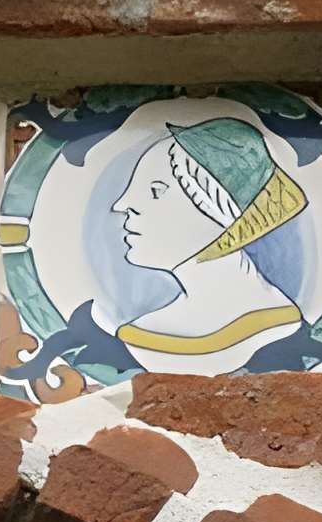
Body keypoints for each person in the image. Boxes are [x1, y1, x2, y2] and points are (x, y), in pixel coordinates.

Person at [105, 116, 309, 361]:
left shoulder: (277, 330)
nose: (122, 204)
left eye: (156, 190)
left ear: (220, 211)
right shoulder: (147, 328)